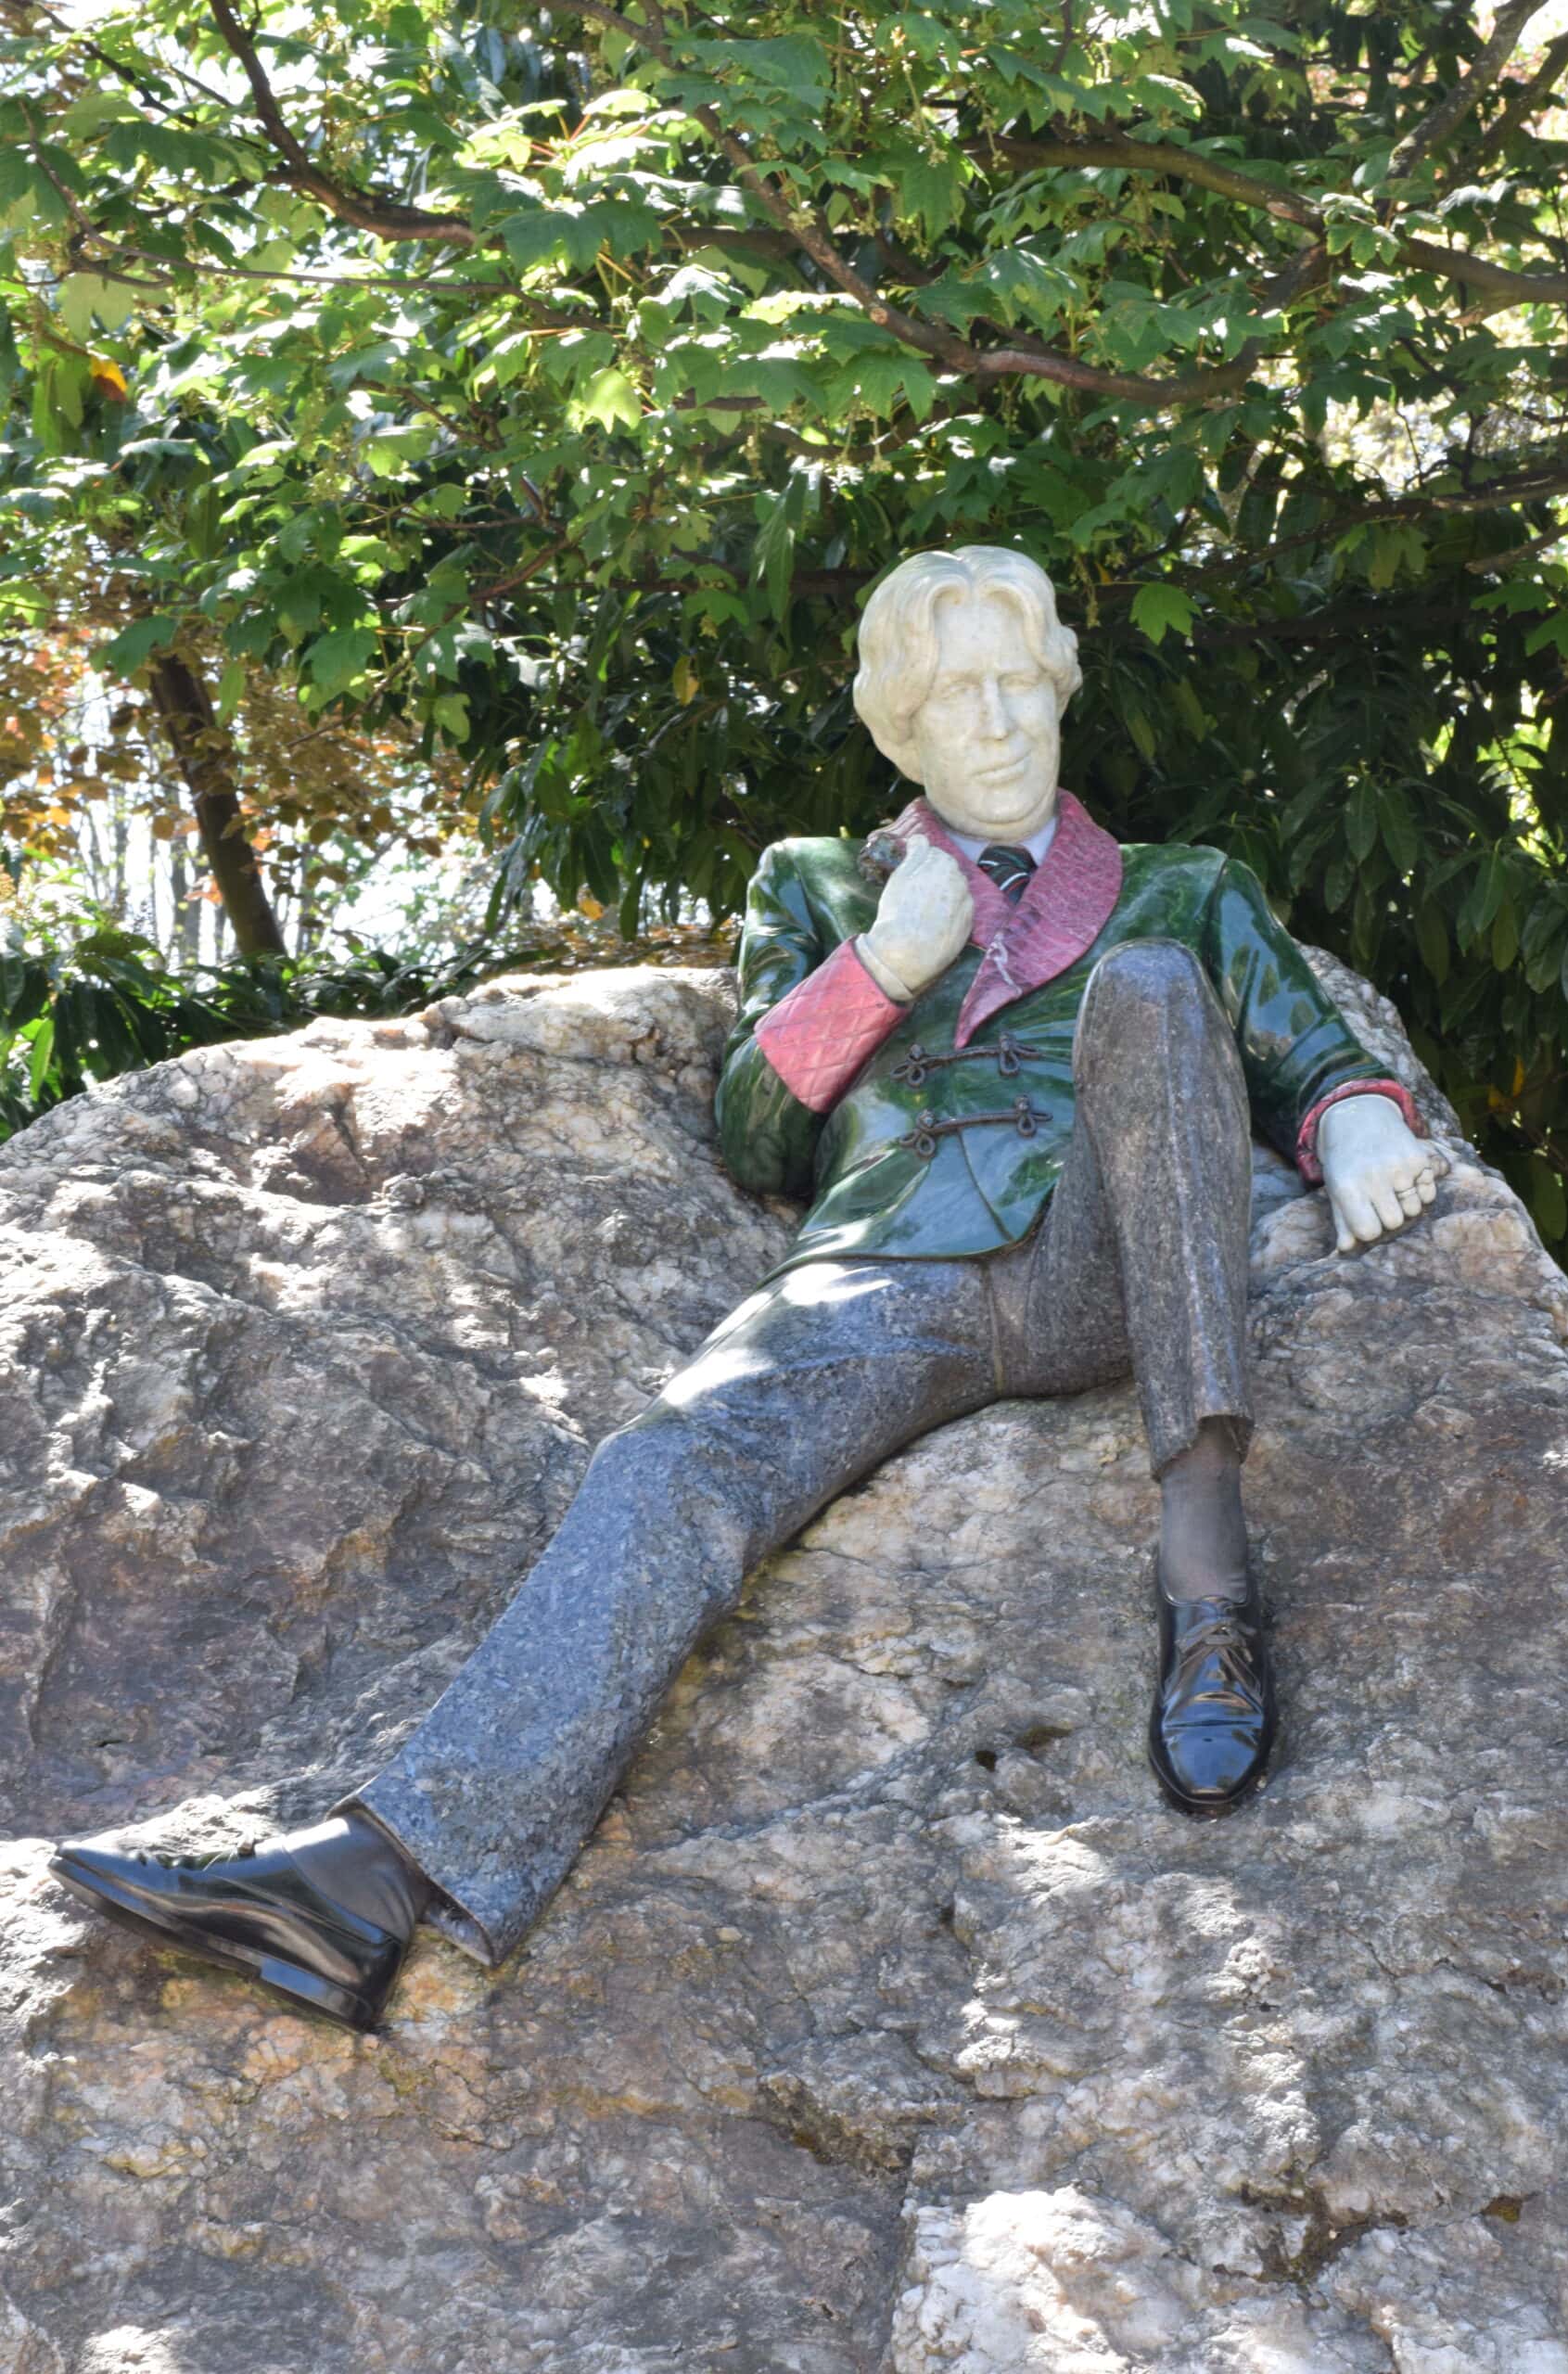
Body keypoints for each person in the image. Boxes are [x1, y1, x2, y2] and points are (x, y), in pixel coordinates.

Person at [50, 547, 1445, 2035]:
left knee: (1158, 988)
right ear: (897, 731)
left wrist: (1352, 1109)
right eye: (952, 694)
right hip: (892, 1267)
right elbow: (759, 1133)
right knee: (669, 1456)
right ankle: (371, 1885)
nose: (994, 719)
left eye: (1016, 680)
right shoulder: (820, 884)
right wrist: (891, 960)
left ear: (1060, 690)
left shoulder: (1187, 889)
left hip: (1111, 1259)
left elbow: (1309, 1048)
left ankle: (1210, 1584)